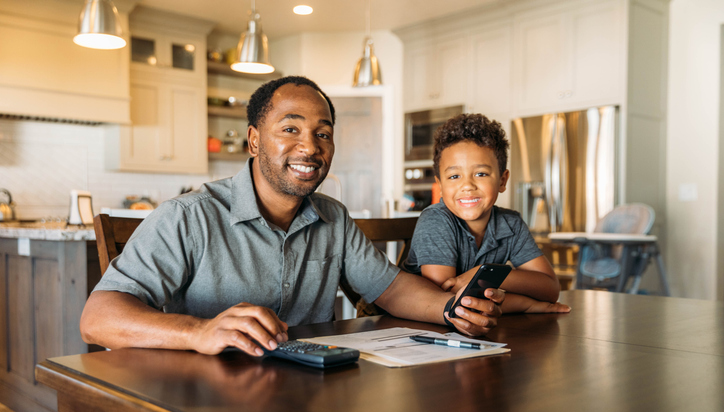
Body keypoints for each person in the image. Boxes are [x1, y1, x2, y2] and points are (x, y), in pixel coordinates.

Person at [80, 76, 508, 362]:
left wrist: (453, 310)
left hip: (306, 402)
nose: (310, 147)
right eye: (290, 129)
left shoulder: (333, 218)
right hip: (204, 411)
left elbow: (391, 289)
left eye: (323, 133)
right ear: (254, 140)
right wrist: (198, 332)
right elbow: (97, 319)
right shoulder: (188, 217)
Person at [403, 113, 570, 314]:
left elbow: (550, 289)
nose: (467, 186)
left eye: (481, 174)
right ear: (440, 185)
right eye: (454, 176)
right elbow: (448, 303)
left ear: (502, 180)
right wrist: (527, 304)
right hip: (410, 328)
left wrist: (482, 275)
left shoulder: (510, 224)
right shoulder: (436, 221)